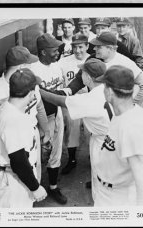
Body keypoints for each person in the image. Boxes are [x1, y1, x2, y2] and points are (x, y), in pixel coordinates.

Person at [0, 46, 50, 206]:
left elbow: (39, 107)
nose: (31, 66)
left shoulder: (27, 82)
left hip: (27, 142)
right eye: (28, 63)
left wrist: (46, 133)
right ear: (21, 67)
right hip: (10, 155)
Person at [39, 58, 110, 201]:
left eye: (82, 72)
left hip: (105, 143)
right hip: (117, 137)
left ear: (89, 77)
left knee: (104, 191)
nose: (80, 74)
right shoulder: (109, 89)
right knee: (110, 177)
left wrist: (38, 90)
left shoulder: (90, 98)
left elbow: (59, 101)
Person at [93, 65, 143, 206]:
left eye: (104, 86)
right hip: (108, 189)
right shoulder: (131, 111)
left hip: (117, 198)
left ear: (109, 92)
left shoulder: (131, 127)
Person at [0, 68, 47, 208]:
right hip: (14, 183)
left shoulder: (4, 107)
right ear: (32, 93)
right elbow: (18, 160)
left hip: (12, 178)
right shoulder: (14, 119)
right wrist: (35, 187)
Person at [67, 31, 143, 105]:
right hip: (97, 108)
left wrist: (131, 106)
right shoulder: (93, 59)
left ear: (110, 48)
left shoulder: (125, 62)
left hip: (114, 111)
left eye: (99, 46)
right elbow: (79, 79)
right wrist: (68, 90)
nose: (94, 48)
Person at [30, 33, 67, 204]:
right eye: (54, 50)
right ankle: (34, 188)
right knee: (39, 154)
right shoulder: (33, 70)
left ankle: (53, 187)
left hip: (57, 112)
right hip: (42, 117)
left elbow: (62, 89)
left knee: (56, 151)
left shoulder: (56, 67)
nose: (57, 52)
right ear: (43, 52)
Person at [57, 34, 90, 174]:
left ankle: (93, 159)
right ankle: (71, 160)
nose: (77, 50)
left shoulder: (92, 60)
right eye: (75, 47)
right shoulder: (63, 62)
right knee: (72, 131)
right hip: (73, 101)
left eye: (81, 47)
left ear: (87, 46)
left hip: (89, 101)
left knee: (91, 132)